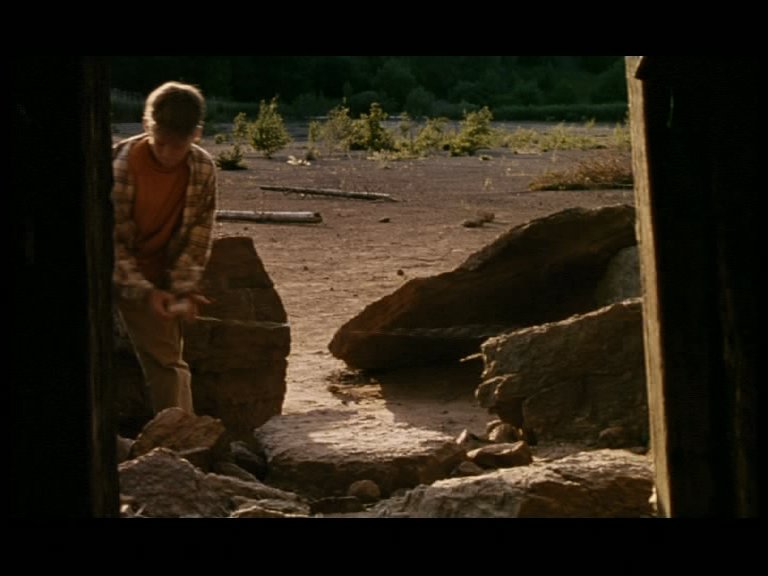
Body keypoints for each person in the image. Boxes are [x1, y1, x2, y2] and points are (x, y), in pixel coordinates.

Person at [112, 81, 218, 416]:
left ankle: (181, 440)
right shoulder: (120, 166)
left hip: (158, 275)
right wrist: (144, 292)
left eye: (179, 146)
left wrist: (180, 288)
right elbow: (109, 241)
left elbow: (198, 237)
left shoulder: (202, 169)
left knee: (169, 366)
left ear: (196, 134)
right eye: (161, 143)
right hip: (113, 269)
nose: (169, 154)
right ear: (147, 126)